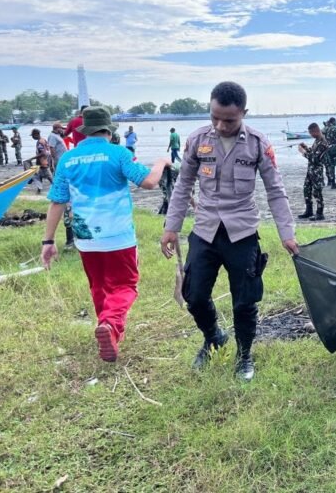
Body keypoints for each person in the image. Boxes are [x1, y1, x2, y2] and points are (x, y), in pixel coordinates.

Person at [160, 82, 298, 380]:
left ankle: (244, 354)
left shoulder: (258, 143)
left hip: (242, 232)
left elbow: (275, 190)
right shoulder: (197, 140)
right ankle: (213, 337)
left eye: (230, 120)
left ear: (244, 113)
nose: (221, 126)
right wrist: (171, 227)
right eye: (215, 117)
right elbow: (183, 185)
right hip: (205, 230)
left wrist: (287, 233)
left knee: (245, 301)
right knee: (194, 295)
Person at [41, 107, 169, 362]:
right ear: (109, 131)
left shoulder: (68, 159)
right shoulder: (118, 153)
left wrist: (48, 240)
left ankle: (107, 329)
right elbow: (148, 182)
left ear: (85, 131)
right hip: (118, 237)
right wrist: (161, 163)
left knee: (98, 286)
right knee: (126, 285)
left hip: (85, 238)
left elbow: (57, 201)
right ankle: (110, 324)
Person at [297, 123, 329, 221]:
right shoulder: (317, 141)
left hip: (317, 171)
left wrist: (303, 152)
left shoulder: (323, 142)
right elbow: (313, 153)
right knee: (306, 190)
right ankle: (309, 211)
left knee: (317, 192)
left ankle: (320, 213)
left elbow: (315, 159)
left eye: (311, 133)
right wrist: (306, 148)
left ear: (316, 131)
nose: (311, 135)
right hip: (311, 170)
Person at [28, 129, 54, 193]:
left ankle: (57, 189)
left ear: (36, 134)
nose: (32, 137)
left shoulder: (40, 142)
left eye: (33, 136)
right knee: (39, 176)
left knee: (49, 177)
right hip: (45, 162)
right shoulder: (44, 140)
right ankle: (39, 191)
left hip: (43, 162)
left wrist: (32, 158)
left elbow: (43, 153)